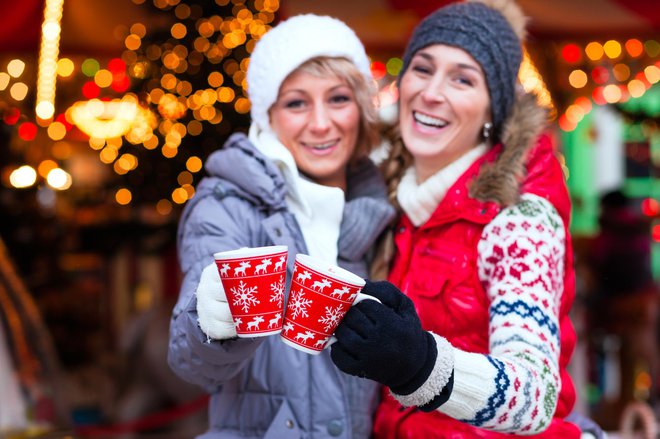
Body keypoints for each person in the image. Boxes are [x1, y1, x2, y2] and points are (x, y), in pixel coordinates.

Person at [330, 0, 586, 437]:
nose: (431, 93)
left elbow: (536, 393)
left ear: (493, 112)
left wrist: (422, 365)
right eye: (423, 69)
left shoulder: (519, 221)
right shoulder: (388, 201)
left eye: (463, 79)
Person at [167, 14, 395, 438]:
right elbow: (192, 362)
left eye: (339, 99)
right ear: (267, 115)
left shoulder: (379, 207)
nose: (321, 123)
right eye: (296, 103)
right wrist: (212, 319)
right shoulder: (227, 206)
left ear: (362, 109)